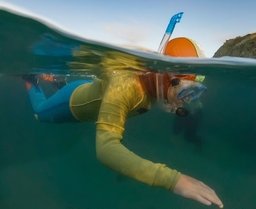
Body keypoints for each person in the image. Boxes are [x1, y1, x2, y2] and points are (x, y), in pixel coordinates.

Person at [22, 37, 224, 208]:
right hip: (72, 103)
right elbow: (106, 149)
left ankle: (58, 83)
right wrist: (173, 181)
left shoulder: (155, 87)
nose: (187, 99)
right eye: (187, 91)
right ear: (168, 78)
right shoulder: (126, 86)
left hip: (90, 92)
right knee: (40, 112)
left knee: (92, 95)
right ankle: (29, 78)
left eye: (195, 92)